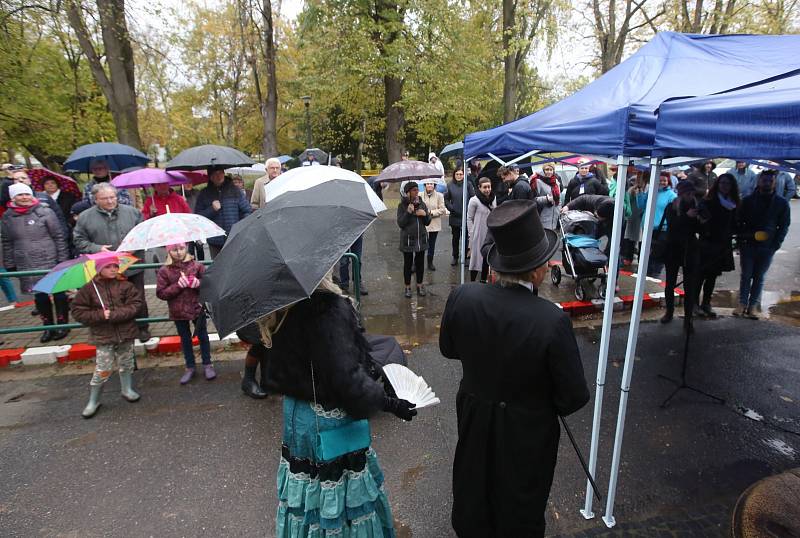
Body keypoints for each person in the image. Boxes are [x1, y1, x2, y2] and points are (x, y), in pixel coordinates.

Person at [439, 200, 590, 537]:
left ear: (497, 264)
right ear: (537, 270)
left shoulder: (462, 296)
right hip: (527, 433)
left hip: (475, 419)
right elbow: (573, 397)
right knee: (519, 510)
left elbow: (449, 349)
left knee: (473, 497)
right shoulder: (551, 319)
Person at [255, 275, 414, 537]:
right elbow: (349, 384)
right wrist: (390, 403)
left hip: (297, 416)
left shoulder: (277, 306)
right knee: (341, 496)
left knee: (308, 490)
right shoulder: (327, 308)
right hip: (328, 419)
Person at [73, 183, 150, 341]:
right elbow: (79, 240)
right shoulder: (85, 217)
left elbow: (144, 234)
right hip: (104, 268)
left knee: (137, 297)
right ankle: (115, 329)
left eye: (112, 197)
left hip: (132, 264)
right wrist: (97, 248)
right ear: (95, 199)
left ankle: (142, 327)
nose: (109, 201)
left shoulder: (132, 212)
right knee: (111, 297)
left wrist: (131, 249)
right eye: (104, 198)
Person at [71, 256, 143, 418]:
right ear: (98, 269)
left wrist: (115, 315)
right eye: (108, 266)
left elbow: (136, 305)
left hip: (125, 333)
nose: (113, 269)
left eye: (115, 266)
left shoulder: (125, 285)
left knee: (126, 363)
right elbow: (78, 312)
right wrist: (100, 315)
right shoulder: (89, 289)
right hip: (103, 335)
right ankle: (94, 400)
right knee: (103, 368)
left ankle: (127, 389)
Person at [1, 183, 70, 342]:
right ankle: (47, 326)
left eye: (27, 194)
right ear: (13, 197)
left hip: (50, 257)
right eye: (20, 195)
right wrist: (9, 263)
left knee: (58, 292)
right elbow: (6, 241)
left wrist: (62, 258)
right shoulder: (7, 217)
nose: (24, 197)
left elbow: (59, 236)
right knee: (40, 296)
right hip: (25, 260)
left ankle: (62, 324)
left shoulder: (45, 212)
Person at [156, 243, 216, 384]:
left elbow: (208, 284)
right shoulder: (164, 271)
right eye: (174, 250)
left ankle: (207, 363)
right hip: (178, 311)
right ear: (169, 251)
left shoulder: (197, 266)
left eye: (181, 248)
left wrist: (198, 284)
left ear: (186, 248)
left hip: (197, 308)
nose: (178, 252)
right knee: (185, 339)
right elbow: (161, 293)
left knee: (203, 336)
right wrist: (178, 286)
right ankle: (190, 366)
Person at [735, 170, 791, 319]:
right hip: (748, 244)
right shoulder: (747, 201)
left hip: (768, 246)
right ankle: (742, 304)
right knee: (746, 276)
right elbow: (738, 221)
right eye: (764, 180)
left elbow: (784, 226)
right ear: (759, 181)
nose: (767, 183)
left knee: (759, 277)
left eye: (770, 181)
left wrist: (776, 244)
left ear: (774, 182)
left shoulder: (781, 203)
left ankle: (753, 306)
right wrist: (741, 240)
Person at [660, 181, 702, 332]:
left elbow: (701, 229)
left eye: (691, 193)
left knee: (690, 286)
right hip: (673, 248)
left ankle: (688, 319)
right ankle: (669, 312)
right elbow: (672, 226)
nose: (690, 196)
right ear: (680, 193)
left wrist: (700, 219)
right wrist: (687, 216)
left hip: (691, 248)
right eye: (687, 193)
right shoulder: (672, 206)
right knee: (670, 283)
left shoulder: (697, 205)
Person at [695, 173, 739, 318]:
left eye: (728, 184)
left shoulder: (733, 203)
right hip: (708, 244)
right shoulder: (709, 201)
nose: (725, 186)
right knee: (701, 275)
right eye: (722, 183)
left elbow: (735, 224)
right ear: (718, 185)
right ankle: (694, 304)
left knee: (712, 276)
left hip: (722, 244)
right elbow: (700, 222)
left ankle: (706, 303)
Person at [194, 167, 251, 258]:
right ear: (210, 177)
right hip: (214, 240)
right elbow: (198, 217)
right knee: (217, 269)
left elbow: (247, 211)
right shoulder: (204, 194)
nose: (218, 176)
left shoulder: (235, 191)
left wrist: (239, 227)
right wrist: (212, 209)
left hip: (233, 238)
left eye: (220, 173)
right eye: (215, 174)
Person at [637, 172, 677, 277]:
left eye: (664, 180)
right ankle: (645, 272)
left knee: (658, 253)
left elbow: (674, 214)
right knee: (644, 251)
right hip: (646, 227)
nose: (662, 182)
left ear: (668, 182)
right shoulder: (651, 191)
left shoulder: (672, 196)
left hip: (662, 229)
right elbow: (641, 206)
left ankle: (655, 274)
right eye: (660, 180)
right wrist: (641, 193)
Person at [398, 182, 431, 297]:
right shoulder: (402, 205)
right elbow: (400, 223)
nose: (416, 192)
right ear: (407, 193)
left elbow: (427, 222)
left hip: (421, 238)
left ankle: (419, 285)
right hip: (408, 239)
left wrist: (425, 214)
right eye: (413, 190)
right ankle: (407, 287)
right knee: (408, 264)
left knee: (420, 263)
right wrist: (408, 212)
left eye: (417, 190)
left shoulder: (422, 203)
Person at [466, 177, 495, 282]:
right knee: (475, 259)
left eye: (489, 187)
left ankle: (483, 281)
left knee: (486, 259)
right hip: (477, 233)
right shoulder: (474, 200)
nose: (487, 189)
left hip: (490, 234)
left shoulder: (493, 198)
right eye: (485, 187)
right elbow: (469, 218)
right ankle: (472, 282)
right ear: (479, 188)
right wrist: (471, 234)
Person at [444, 167, 475, 266]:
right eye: (457, 174)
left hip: (466, 215)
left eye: (461, 174)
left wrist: (469, 210)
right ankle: (455, 256)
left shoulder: (468, 184)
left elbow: (473, 197)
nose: (459, 176)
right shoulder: (449, 185)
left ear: (464, 175)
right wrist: (450, 207)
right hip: (454, 215)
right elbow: (446, 199)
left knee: (465, 238)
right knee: (455, 238)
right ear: (454, 175)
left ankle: (466, 257)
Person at [420, 178, 446, 271]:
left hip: (434, 224)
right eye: (427, 184)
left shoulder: (439, 195)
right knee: (421, 244)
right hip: (422, 224)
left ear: (434, 185)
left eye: (431, 184)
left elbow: (442, 210)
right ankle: (417, 263)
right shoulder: (420, 195)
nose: (429, 185)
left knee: (432, 244)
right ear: (425, 185)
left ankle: (430, 263)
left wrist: (431, 212)